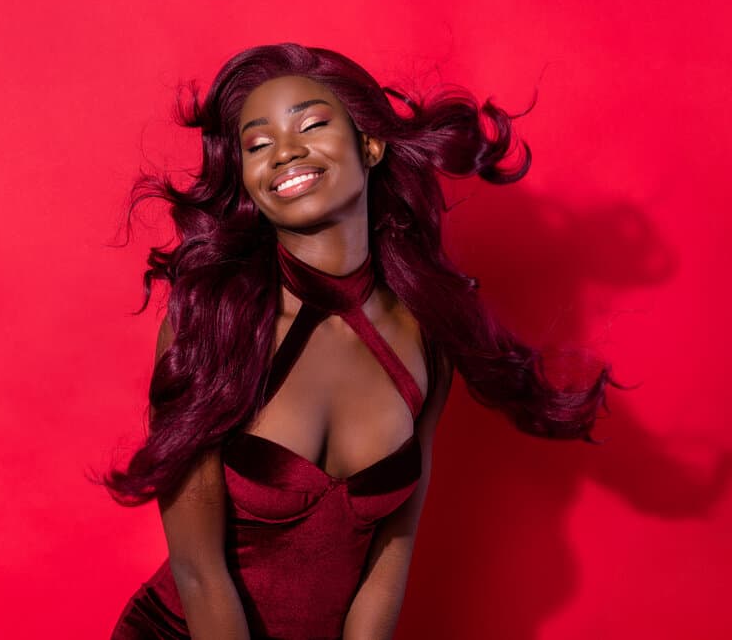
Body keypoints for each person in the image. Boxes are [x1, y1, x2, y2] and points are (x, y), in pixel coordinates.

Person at [89, 43, 622, 639]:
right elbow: (198, 571)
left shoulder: (426, 339)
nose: (285, 152)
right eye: (258, 144)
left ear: (370, 144)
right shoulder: (213, 325)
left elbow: (391, 557)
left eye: (312, 124)